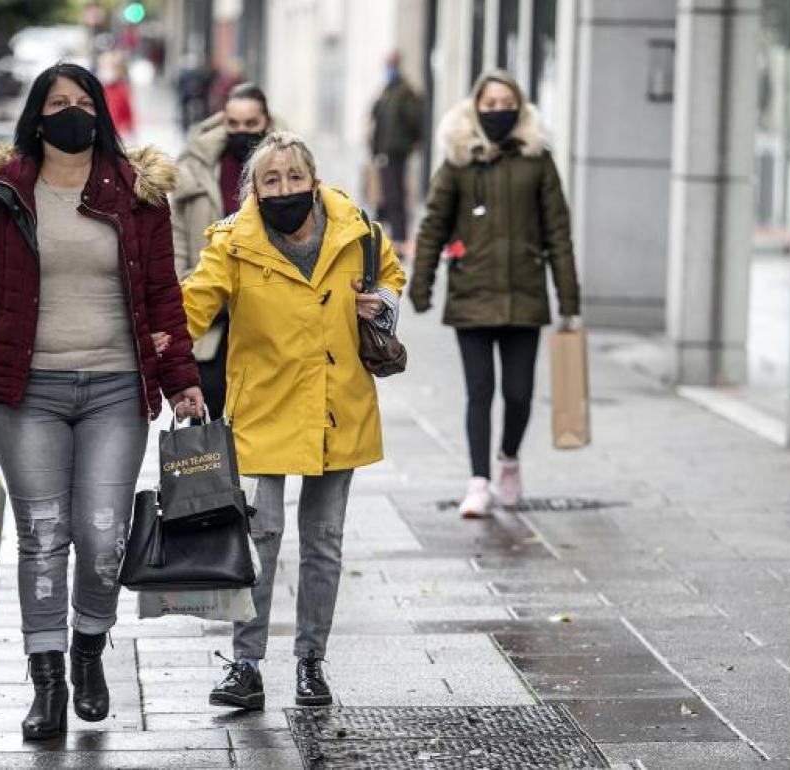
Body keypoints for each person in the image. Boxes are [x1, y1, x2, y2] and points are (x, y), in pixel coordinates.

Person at [0, 63, 204, 741]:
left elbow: (164, 297)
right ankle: (46, 680)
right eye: (58, 103)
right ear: (37, 115)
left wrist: (183, 382)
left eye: (84, 102)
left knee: (104, 536)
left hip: (116, 385)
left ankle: (89, 651)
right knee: (45, 537)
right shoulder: (2, 195)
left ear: (100, 114)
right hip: (29, 392)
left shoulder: (136, 193)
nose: (72, 112)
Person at [174, 131, 406, 710]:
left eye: (294, 177)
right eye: (270, 180)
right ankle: (246, 665)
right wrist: (158, 346)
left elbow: (392, 278)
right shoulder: (233, 243)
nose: (284, 189)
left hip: (337, 405)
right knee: (261, 537)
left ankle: (311, 663)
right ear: (253, 189)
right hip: (264, 408)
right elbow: (193, 306)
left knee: (324, 542)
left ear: (314, 180)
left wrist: (380, 302)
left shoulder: (358, 232)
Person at [410, 69, 580, 518]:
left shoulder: (538, 160)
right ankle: (478, 482)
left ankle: (508, 458)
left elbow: (558, 233)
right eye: (490, 104)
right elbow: (432, 227)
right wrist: (421, 284)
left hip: (525, 295)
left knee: (520, 394)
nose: (498, 112)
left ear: (520, 108)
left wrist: (569, 301)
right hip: (472, 295)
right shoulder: (458, 162)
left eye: (507, 104)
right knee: (479, 391)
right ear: (475, 108)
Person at [170, 82, 281, 419]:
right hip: (210, 327)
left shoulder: (289, 172)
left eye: (251, 124)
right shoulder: (196, 167)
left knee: (264, 439)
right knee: (208, 443)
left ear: (267, 122)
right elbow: (177, 241)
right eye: (233, 123)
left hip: (268, 323)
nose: (241, 132)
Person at [369, 51, 424, 260]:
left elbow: (414, 120)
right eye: (387, 64)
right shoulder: (386, 91)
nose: (389, 68)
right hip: (382, 152)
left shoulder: (405, 92)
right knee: (385, 198)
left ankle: (399, 243)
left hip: (397, 152)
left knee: (395, 198)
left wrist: (412, 142)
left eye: (391, 64)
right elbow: (376, 116)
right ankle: (384, 239)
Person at [98, 52, 135, 138]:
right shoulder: (95, 88)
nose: (106, 70)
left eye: (110, 67)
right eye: (104, 66)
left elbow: (128, 116)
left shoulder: (122, 90)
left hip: (115, 136)